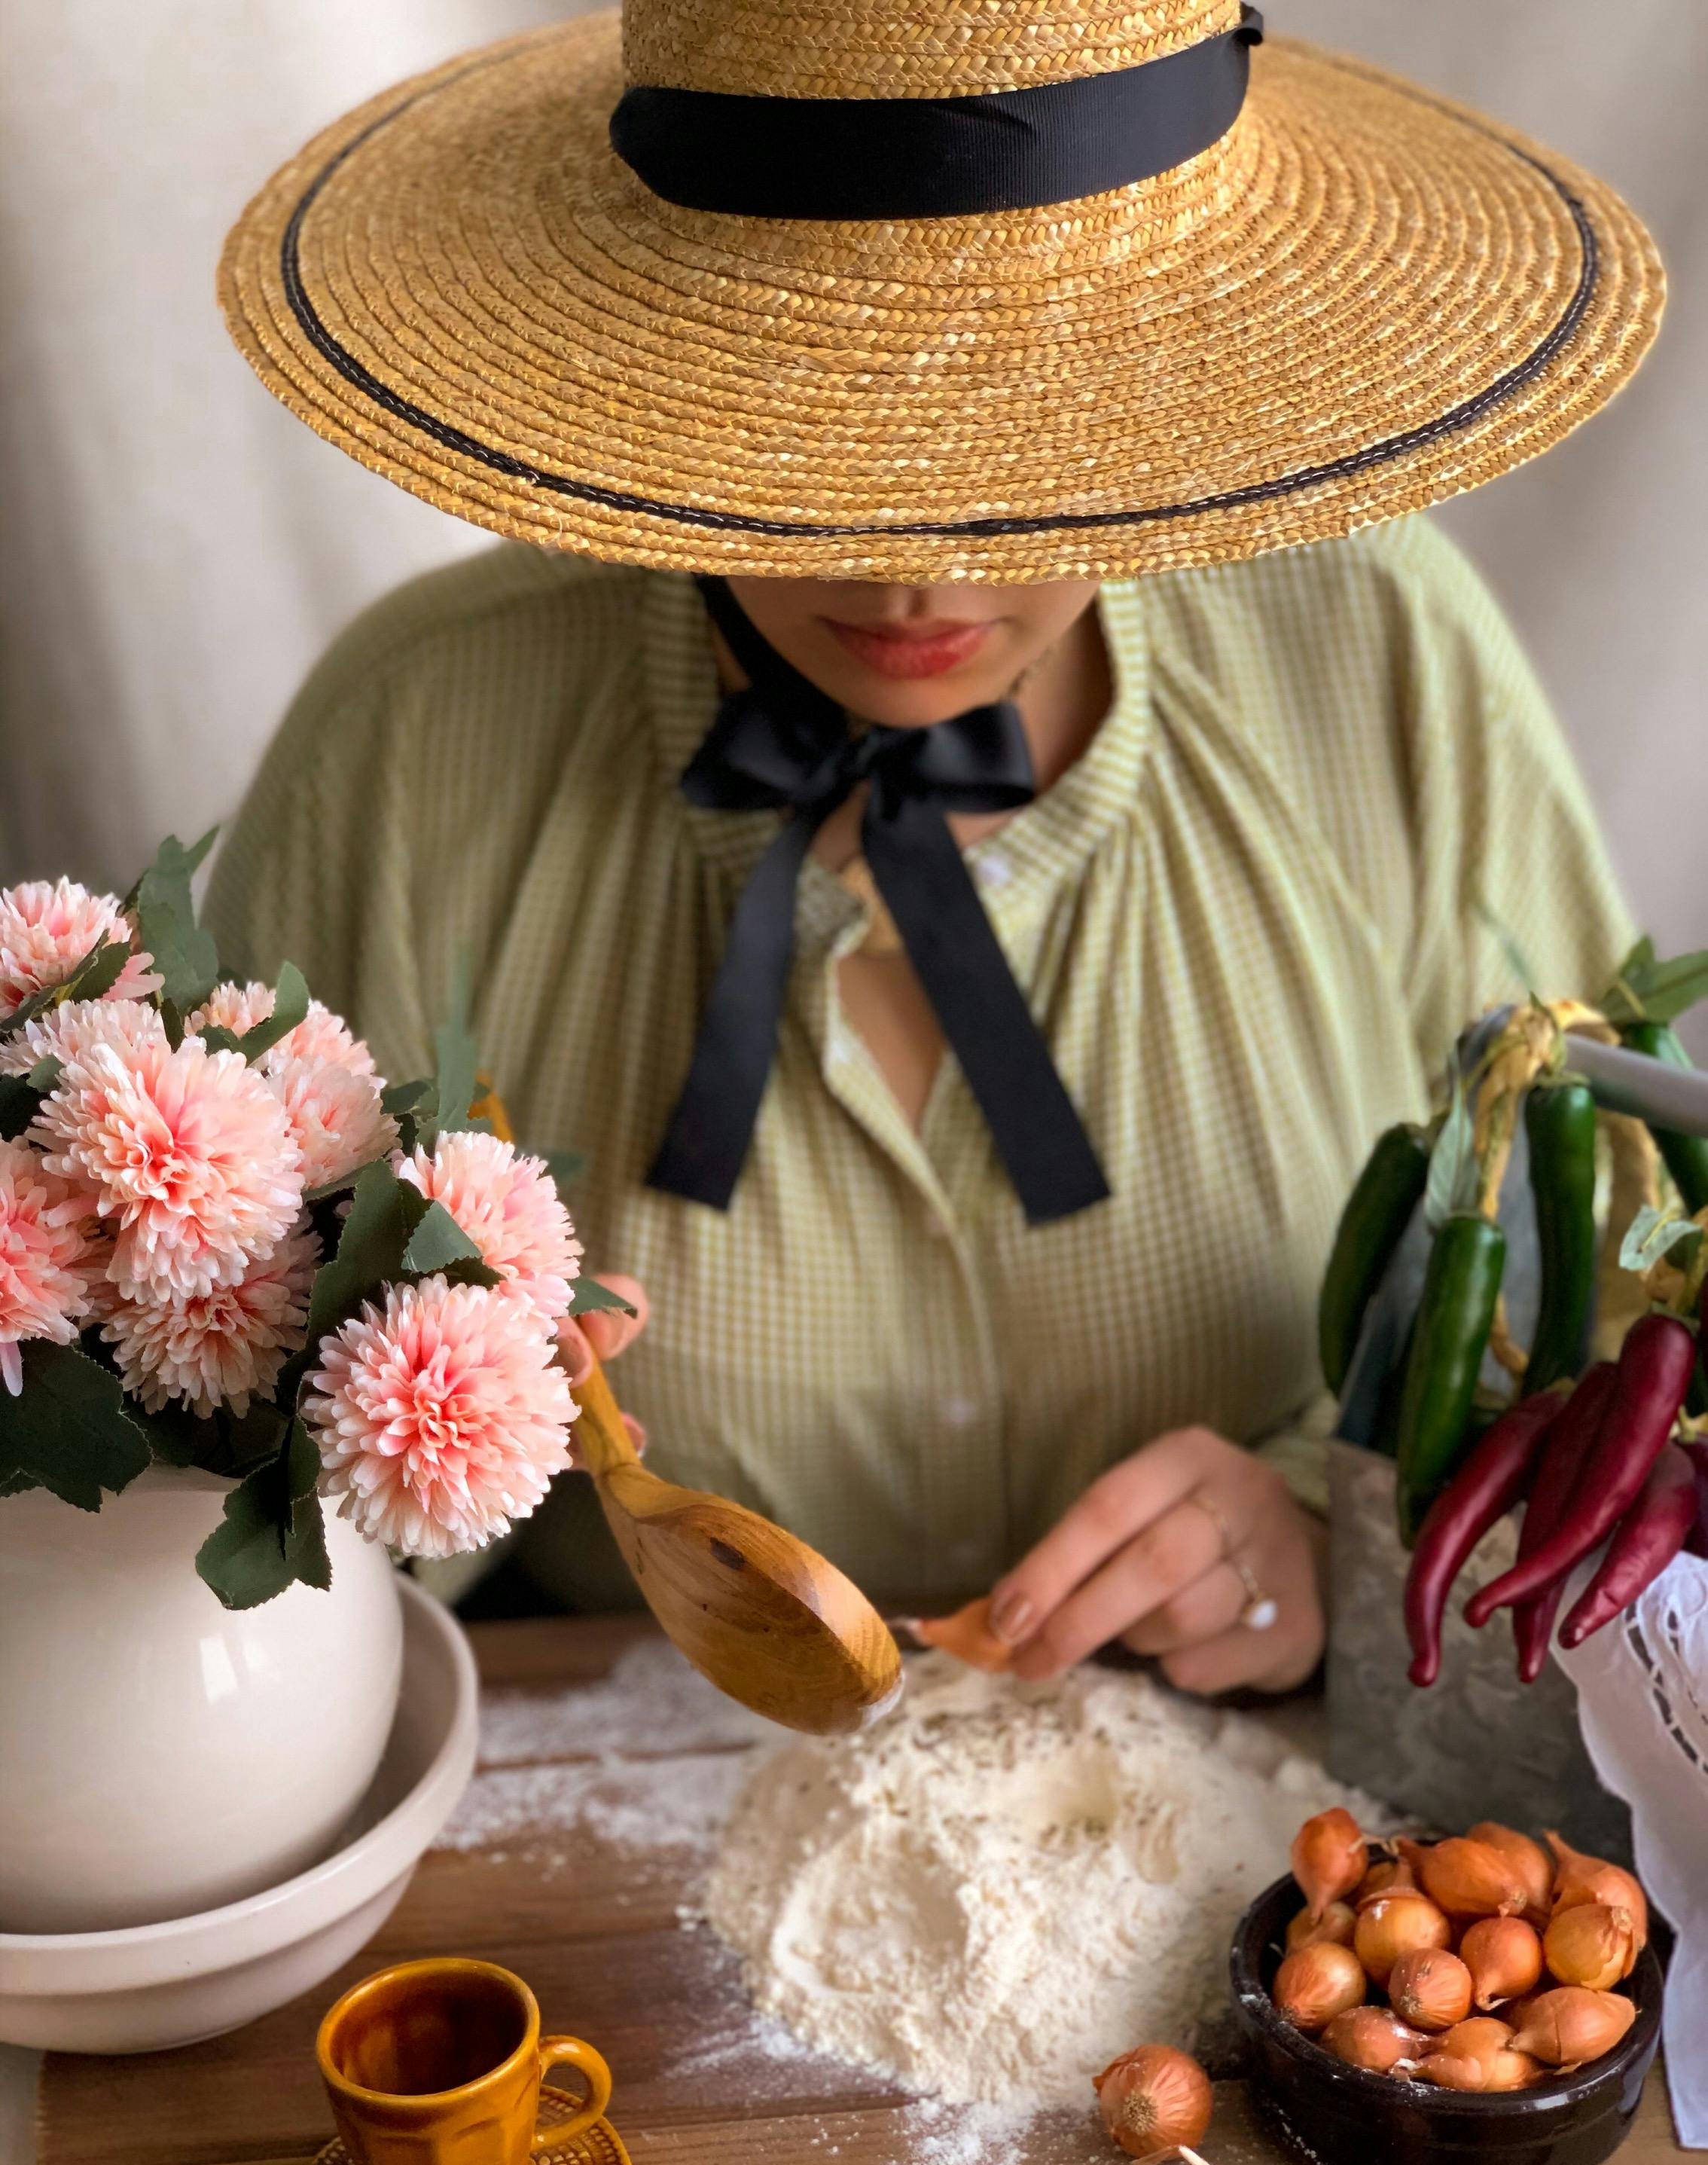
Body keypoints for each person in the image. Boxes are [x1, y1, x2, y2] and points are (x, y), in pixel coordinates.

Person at [207, 0, 1660, 1694]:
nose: (914, 585)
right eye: (814, 439)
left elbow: (1623, 1325)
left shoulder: (1382, 661)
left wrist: (1345, 1541)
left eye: (1018, 448)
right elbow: (227, 1523)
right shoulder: (415, 738)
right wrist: (445, 1440)